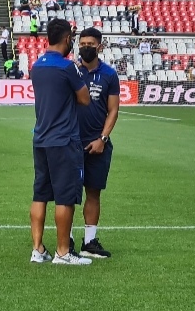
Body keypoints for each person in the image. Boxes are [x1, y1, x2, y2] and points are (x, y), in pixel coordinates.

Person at [28, 18, 91, 265]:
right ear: (67, 39)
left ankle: (38, 249)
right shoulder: (67, 68)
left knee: (40, 194)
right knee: (65, 197)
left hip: (41, 137)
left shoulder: (37, 65)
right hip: (64, 140)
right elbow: (84, 99)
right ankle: (63, 252)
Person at [74, 28, 119, 259]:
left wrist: (102, 139)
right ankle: (68, 241)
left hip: (97, 144)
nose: (86, 47)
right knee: (69, 194)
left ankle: (89, 242)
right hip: (71, 142)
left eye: (91, 43)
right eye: (82, 43)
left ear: (99, 46)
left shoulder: (109, 74)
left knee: (93, 192)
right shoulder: (71, 70)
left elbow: (113, 110)